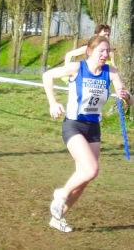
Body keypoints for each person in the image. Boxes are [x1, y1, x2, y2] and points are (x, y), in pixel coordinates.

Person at [42, 35, 133, 233]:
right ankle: (62, 193)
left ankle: (58, 217)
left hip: (93, 128)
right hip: (74, 125)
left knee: (83, 180)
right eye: (101, 51)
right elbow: (47, 76)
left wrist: (127, 97)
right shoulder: (77, 68)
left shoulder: (111, 71)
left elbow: (126, 96)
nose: (105, 55)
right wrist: (53, 102)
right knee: (91, 170)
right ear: (90, 52)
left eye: (107, 51)